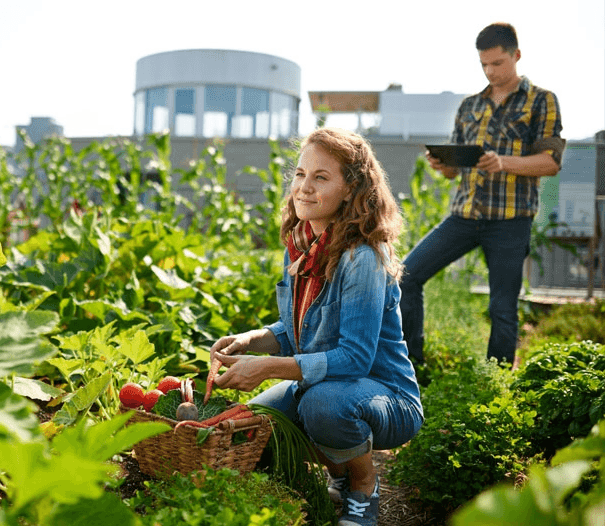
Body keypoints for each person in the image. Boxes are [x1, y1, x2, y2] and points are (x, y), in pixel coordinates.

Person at [209, 128, 424, 526]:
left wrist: (268, 368)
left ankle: (364, 487)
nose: (304, 187)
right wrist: (250, 340)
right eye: (300, 174)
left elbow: (355, 359)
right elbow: (298, 330)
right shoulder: (303, 245)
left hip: (386, 397)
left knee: (321, 406)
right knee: (255, 427)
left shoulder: (362, 258)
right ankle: (339, 474)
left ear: (350, 189)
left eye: (321, 177)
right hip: (323, 386)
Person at [400, 22, 565, 366]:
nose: (490, 71)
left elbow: (550, 162)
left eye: (497, 63)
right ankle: (412, 366)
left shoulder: (542, 101)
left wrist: (503, 162)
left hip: (510, 221)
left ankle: (498, 380)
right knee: (405, 276)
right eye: (484, 65)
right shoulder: (469, 106)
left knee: (502, 308)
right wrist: (442, 164)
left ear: (516, 55)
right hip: (464, 216)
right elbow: (455, 171)